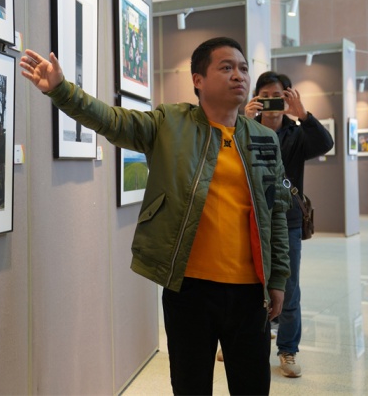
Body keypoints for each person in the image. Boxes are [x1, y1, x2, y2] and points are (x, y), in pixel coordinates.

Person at [20, 37, 291, 395]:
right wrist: (61, 90)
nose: (238, 75)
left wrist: (279, 278)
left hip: (250, 292)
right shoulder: (170, 123)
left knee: (253, 387)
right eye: (226, 67)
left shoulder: (264, 138)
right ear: (198, 80)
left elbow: (276, 213)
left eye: (243, 68)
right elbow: (113, 121)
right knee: (190, 387)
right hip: (189, 289)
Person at [244, 71, 334, 378]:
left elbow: (325, 143)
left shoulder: (297, 134)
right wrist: (244, 120)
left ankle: (287, 349)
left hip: (288, 220)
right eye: (265, 96)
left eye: (278, 96)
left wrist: (303, 114)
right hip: (250, 216)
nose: (272, 102)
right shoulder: (247, 128)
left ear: (288, 97)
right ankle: (243, 344)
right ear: (256, 98)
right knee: (248, 286)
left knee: (289, 287)